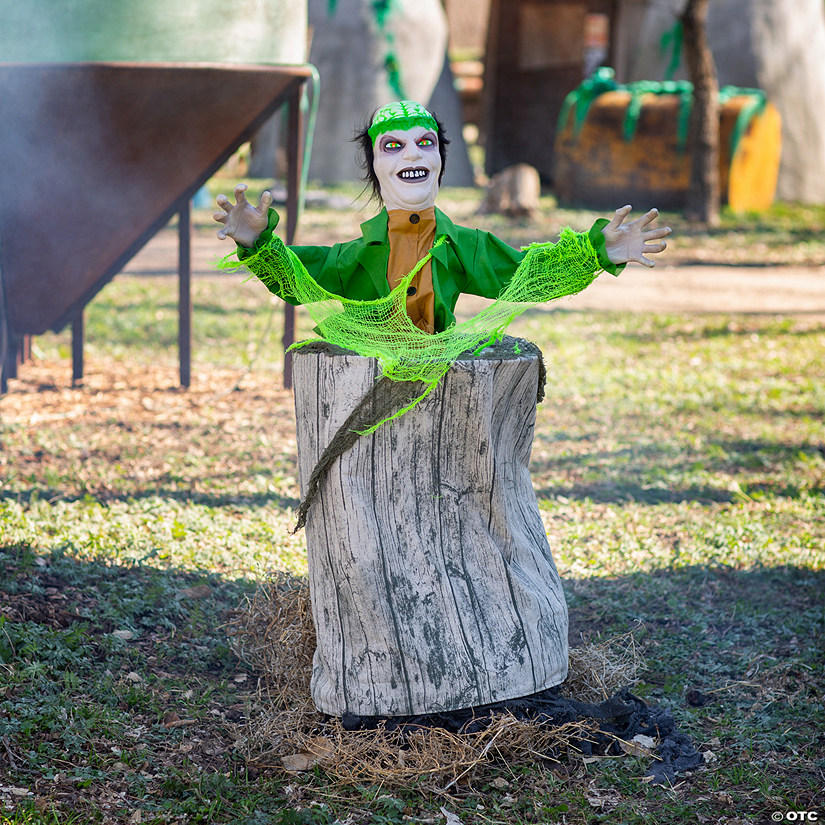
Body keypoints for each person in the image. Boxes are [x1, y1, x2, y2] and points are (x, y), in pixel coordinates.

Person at [213, 101, 671, 722]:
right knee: (371, 536)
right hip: (367, 399)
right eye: (393, 146)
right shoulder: (361, 253)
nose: (412, 155)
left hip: (449, 401)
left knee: (459, 521)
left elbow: (524, 271)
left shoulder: (461, 245)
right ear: (375, 167)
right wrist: (259, 243)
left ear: (441, 159)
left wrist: (598, 251)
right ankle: (381, 664)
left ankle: (484, 648)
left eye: (424, 142)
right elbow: (304, 275)